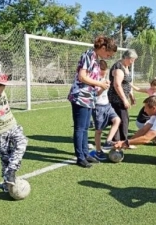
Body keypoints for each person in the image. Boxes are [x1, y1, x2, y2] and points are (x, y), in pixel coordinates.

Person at [67, 35, 118, 168]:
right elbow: (82, 77)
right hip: (80, 96)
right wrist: (100, 84)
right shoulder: (88, 55)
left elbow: (90, 78)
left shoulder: (95, 58)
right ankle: (80, 157)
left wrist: (100, 84)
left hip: (89, 97)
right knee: (80, 128)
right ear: (102, 47)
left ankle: (85, 153)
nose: (108, 57)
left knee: (84, 128)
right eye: (107, 53)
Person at [89, 60, 121, 160]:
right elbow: (95, 94)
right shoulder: (93, 79)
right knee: (99, 131)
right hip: (98, 107)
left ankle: (108, 141)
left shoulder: (105, 77)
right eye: (101, 72)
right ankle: (98, 151)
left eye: (105, 71)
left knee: (117, 120)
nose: (103, 73)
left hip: (107, 105)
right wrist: (103, 87)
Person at [108, 49, 138, 142]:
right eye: (132, 60)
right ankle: (121, 141)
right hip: (116, 98)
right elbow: (117, 85)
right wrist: (124, 100)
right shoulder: (118, 68)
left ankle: (118, 140)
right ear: (126, 58)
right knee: (122, 120)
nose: (133, 62)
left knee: (122, 120)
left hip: (123, 97)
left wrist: (131, 96)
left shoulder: (126, 67)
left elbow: (127, 83)